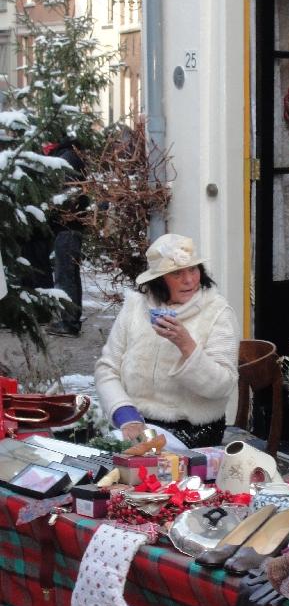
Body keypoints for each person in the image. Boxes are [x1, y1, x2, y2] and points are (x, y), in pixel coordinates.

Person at [95, 233, 240, 448]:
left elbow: (223, 385)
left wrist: (186, 346)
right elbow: (107, 369)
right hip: (136, 422)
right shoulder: (136, 307)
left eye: (193, 269)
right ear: (158, 280)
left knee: (136, 461)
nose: (189, 280)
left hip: (192, 428)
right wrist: (125, 415)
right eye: (176, 273)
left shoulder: (218, 312)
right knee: (103, 458)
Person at [47, 137, 88, 337]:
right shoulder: (73, 157)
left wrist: (53, 211)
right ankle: (71, 320)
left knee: (65, 275)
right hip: (73, 226)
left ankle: (69, 323)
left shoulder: (66, 159)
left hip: (67, 227)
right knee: (70, 274)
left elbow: (67, 195)